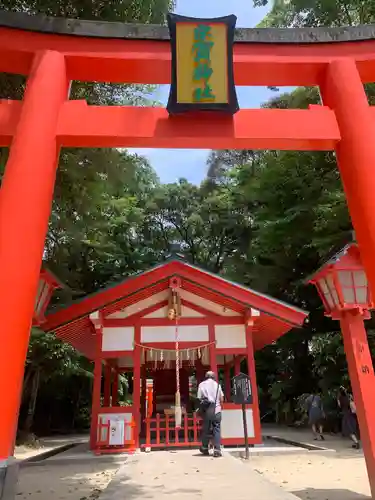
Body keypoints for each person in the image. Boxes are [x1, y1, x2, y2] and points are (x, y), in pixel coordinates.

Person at [197, 371, 224, 457]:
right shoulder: (218, 385)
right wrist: (219, 407)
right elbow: (221, 398)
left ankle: (205, 448)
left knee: (206, 429)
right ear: (213, 377)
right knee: (217, 429)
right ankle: (217, 450)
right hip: (217, 410)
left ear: (206, 376)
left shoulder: (202, 385)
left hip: (207, 410)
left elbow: (199, 398)